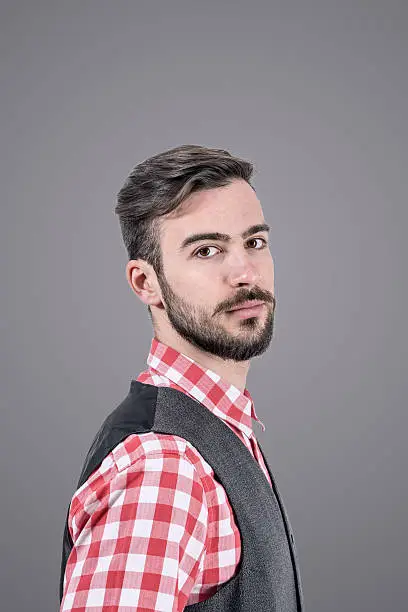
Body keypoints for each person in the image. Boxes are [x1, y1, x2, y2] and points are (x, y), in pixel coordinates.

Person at [59, 144, 304, 611]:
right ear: (145, 283)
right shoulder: (163, 464)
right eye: (207, 250)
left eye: (254, 242)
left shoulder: (220, 429)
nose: (244, 272)